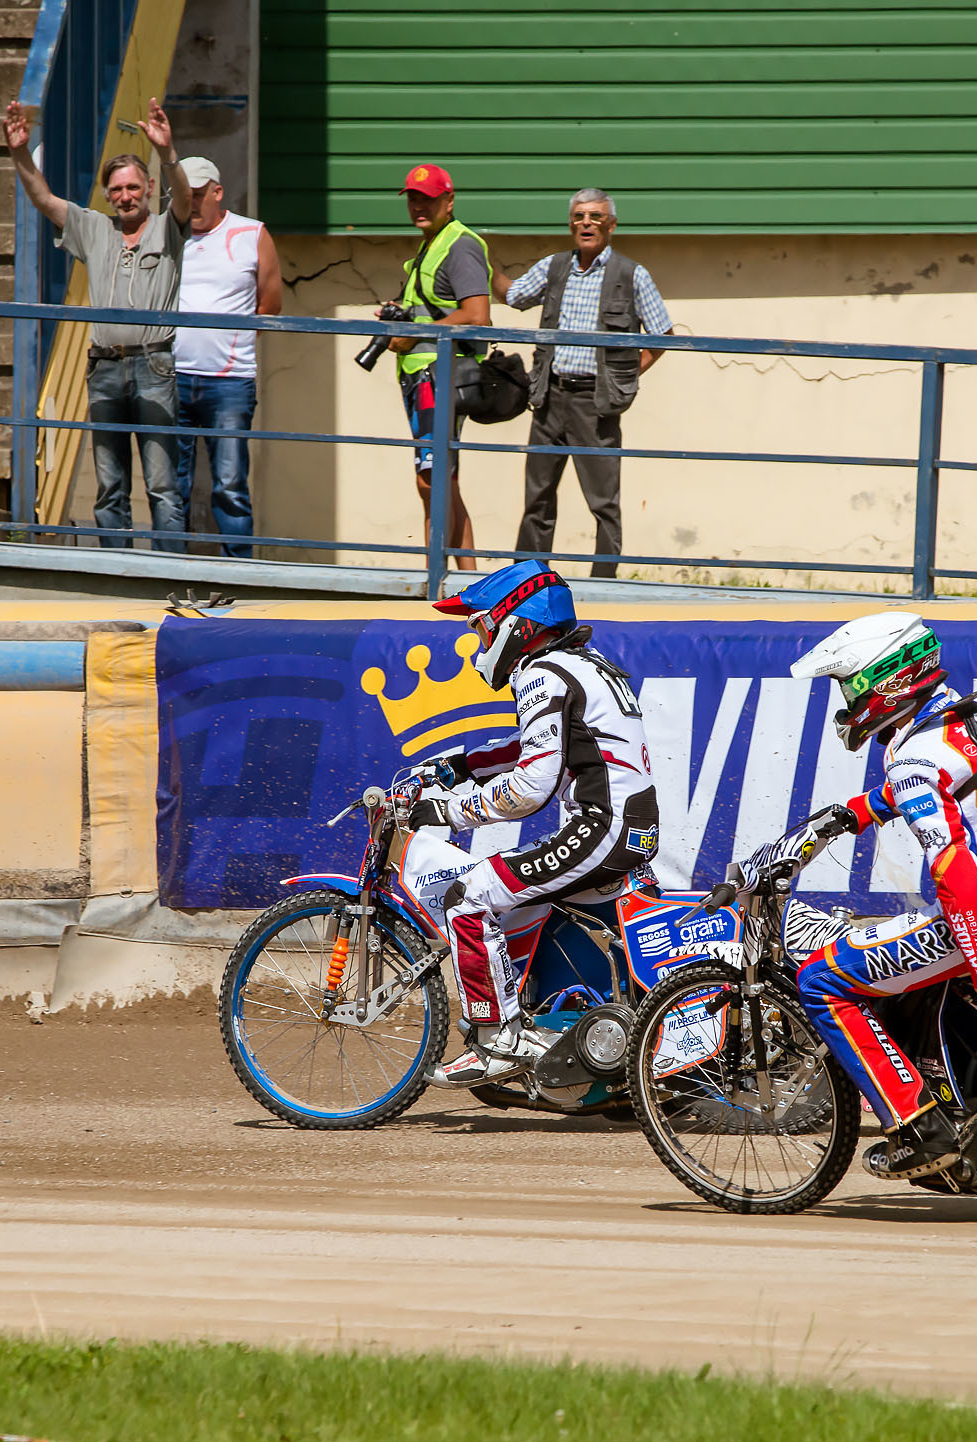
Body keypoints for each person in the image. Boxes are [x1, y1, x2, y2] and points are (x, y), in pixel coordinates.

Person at [780, 612, 977, 1182]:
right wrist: (852, 814)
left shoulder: (913, 760)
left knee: (821, 980)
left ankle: (917, 1127)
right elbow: (951, 785)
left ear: (889, 679)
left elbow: (954, 872)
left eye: (852, 686)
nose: (848, 702)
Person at [411, 561, 659, 1086]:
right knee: (540, 906)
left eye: (479, 626)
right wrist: (458, 766)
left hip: (600, 827)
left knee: (470, 895)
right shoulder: (581, 663)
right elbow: (533, 747)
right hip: (626, 827)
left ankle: (496, 1039)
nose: (477, 642)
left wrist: (449, 809)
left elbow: (529, 787)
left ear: (514, 623)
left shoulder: (543, 673)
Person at [4, 96, 193, 552]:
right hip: (104, 368)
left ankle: (170, 571)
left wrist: (167, 153)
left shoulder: (168, 228)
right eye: (117, 190)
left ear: (148, 188)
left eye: (133, 187)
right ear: (107, 195)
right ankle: (115, 571)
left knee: (163, 484)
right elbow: (43, 198)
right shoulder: (94, 229)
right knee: (110, 484)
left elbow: (185, 198)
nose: (125, 196)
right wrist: (19, 152)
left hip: (154, 367)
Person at [499, 189, 674, 578]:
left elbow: (662, 334)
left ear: (611, 225)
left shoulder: (631, 274)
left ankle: (605, 584)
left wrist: (622, 378)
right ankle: (526, 583)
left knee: (603, 502)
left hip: (596, 404)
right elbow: (512, 295)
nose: (586, 224)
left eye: (595, 217)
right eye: (579, 217)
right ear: (570, 224)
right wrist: (477, 259)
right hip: (549, 396)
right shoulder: (554, 267)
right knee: (537, 498)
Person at [384, 164, 491, 580]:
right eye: (412, 198)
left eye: (427, 198)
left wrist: (414, 336)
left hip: (438, 379)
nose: (418, 206)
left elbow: (477, 315)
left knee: (433, 480)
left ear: (449, 201)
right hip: (423, 379)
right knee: (438, 479)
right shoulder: (431, 245)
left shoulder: (459, 245)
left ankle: (450, 580)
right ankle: (461, 580)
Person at [172, 157, 282, 558]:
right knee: (172, 484)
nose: (192, 203)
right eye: (184, 195)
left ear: (217, 192)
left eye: (198, 195)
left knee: (230, 483)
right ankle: (166, 570)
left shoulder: (251, 234)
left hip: (230, 380)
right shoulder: (169, 231)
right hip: (169, 375)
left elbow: (270, 305)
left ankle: (239, 573)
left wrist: (227, 337)